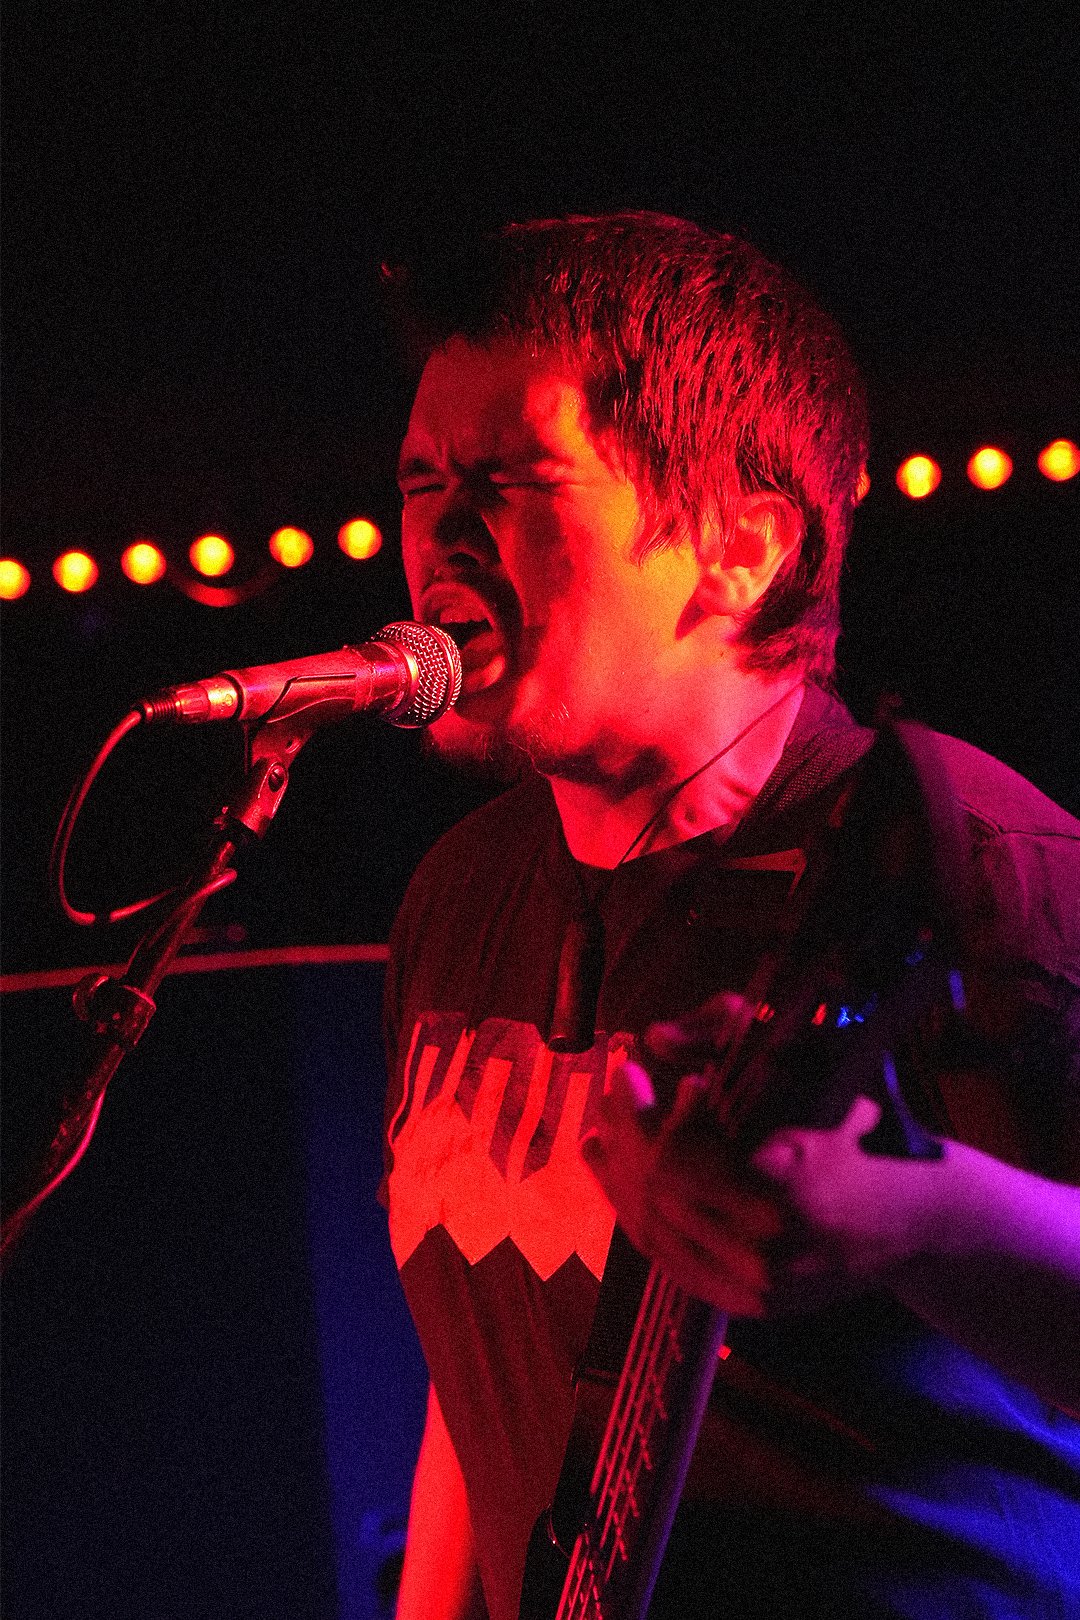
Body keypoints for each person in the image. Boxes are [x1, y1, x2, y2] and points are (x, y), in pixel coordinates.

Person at [379, 214, 1080, 1620]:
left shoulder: (968, 860)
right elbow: (489, 1363)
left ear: (743, 550)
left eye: (512, 482)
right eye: (421, 479)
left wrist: (932, 1218)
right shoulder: (458, 894)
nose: (442, 535)